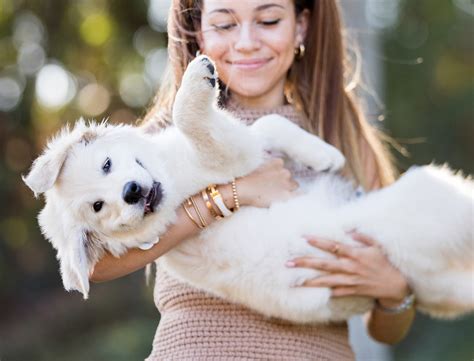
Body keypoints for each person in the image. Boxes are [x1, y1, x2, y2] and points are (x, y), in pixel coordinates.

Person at [90, 0, 415, 359]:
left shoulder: (343, 137)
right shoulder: (169, 135)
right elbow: (93, 262)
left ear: (301, 26)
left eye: (268, 20)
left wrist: (395, 290)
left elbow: (387, 331)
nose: (246, 41)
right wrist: (231, 195)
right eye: (225, 25)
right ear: (198, 32)